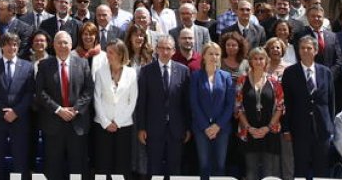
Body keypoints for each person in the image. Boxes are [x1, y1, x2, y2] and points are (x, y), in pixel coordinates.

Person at [35, 30, 94, 180]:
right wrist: (58, 110)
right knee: (53, 167)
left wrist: (75, 110)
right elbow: (40, 92)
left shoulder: (82, 63)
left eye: (65, 42)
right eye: (59, 42)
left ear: (71, 45)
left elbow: (89, 90)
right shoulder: (44, 65)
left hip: (77, 124)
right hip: (53, 124)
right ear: (53, 45)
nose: (62, 46)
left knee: (78, 167)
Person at [137, 34, 191, 176]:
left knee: (175, 169)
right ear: (156, 50)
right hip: (153, 129)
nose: (165, 52)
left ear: (174, 51)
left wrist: (187, 128)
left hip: (176, 129)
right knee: (154, 168)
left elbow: (186, 103)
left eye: (168, 48)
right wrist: (141, 127)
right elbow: (142, 101)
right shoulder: (146, 71)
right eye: (162, 48)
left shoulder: (183, 71)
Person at [282, 35, 334, 180]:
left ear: (315, 51)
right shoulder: (290, 72)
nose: (305, 51)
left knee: (322, 168)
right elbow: (286, 103)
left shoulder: (325, 72)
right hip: (299, 127)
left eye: (309, 48)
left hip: (322, 128)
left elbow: (330, 102)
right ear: (298, 51)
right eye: (302, 48)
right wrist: (286, 128)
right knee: (301, 167)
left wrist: (330, 126)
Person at [0, 31, 35, 178]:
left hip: (20, 120)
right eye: (7, 45)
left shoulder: (28, 67)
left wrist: (16, 111)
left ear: (18, 47)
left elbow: (30, 92)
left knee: (20, 161)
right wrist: (3, 111)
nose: (11, 48)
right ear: (1, 46)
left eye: (14, 45)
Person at [236, 47, 284, 180]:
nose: (258, 61)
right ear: (250, 61)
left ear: (266, 61)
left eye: (261, 58)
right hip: (249, 132)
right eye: (255, 58)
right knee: (251, 173)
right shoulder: (242, 80)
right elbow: (238, 107)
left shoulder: (274, 81)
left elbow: (280, 107)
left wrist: (267, 128)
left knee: (269, 172)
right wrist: (249, 128)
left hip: (269, 132)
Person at [92, 38, 137, 179]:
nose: (107, 55)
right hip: (102, 125)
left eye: (111, 52)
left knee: (122, 164)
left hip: (123, 125)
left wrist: (117, 122)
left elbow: (132, 100)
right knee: (103, 163)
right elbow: (97, 98)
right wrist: (106, 122)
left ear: (120, 54)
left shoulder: (131, 73)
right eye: (108, 52)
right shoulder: (100, 72)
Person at [190, 41, 236, 180]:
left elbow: (230, 104)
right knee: (204, 165)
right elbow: (194, 103)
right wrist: (206, 126)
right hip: (201, 128)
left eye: (217, 54)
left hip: (222, 128)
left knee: (220, 165)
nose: (214, 57)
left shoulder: (226, 76)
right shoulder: (196, 76)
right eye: (210, 53)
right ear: (203, 56)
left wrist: (217, 126)